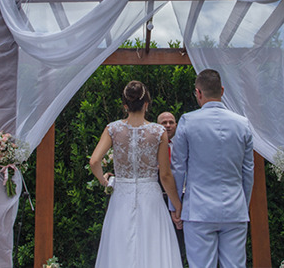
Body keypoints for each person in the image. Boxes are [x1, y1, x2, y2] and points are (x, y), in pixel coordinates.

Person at [90, 81, 183, 268]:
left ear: (125, 105)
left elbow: (94, 161)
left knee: (120, 247)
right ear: (146, 104)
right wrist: (177, 205)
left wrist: (105, 182)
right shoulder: (158, 131)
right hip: (151, 197)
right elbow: (165, 175)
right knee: (153, 246)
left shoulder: (113, 129)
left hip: (121, 195)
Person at [171, 69, 254, 268]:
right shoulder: (243, 124)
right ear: (222, 90)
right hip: (235, 209)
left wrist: (176, 205)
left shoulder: (187, 121)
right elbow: (248, 172)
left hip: (198, 210)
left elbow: (178, 167)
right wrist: (243, 203)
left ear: (198, 93)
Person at [158, 111, 187, 264]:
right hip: (159, 199)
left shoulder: (183, 145)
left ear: (176, 125)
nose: (168, 125)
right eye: (164, 123)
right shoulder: (151, 147)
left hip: (182, 199)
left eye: (171, 122)